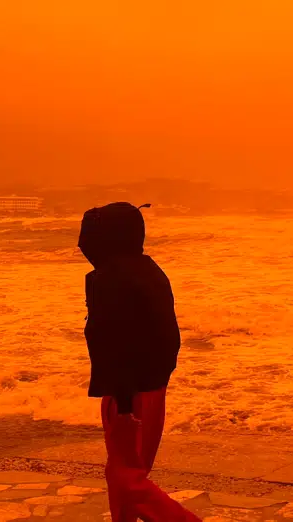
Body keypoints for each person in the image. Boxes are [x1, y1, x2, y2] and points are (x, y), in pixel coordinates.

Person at [79, 202, 198, 522]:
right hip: (152, 388)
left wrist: (124, 401)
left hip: (127, 394)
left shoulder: (110, 279)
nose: (81, 245)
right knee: (126, 471)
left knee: (126, 478)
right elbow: (168, 336)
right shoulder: (150, 270)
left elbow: (114, 341)